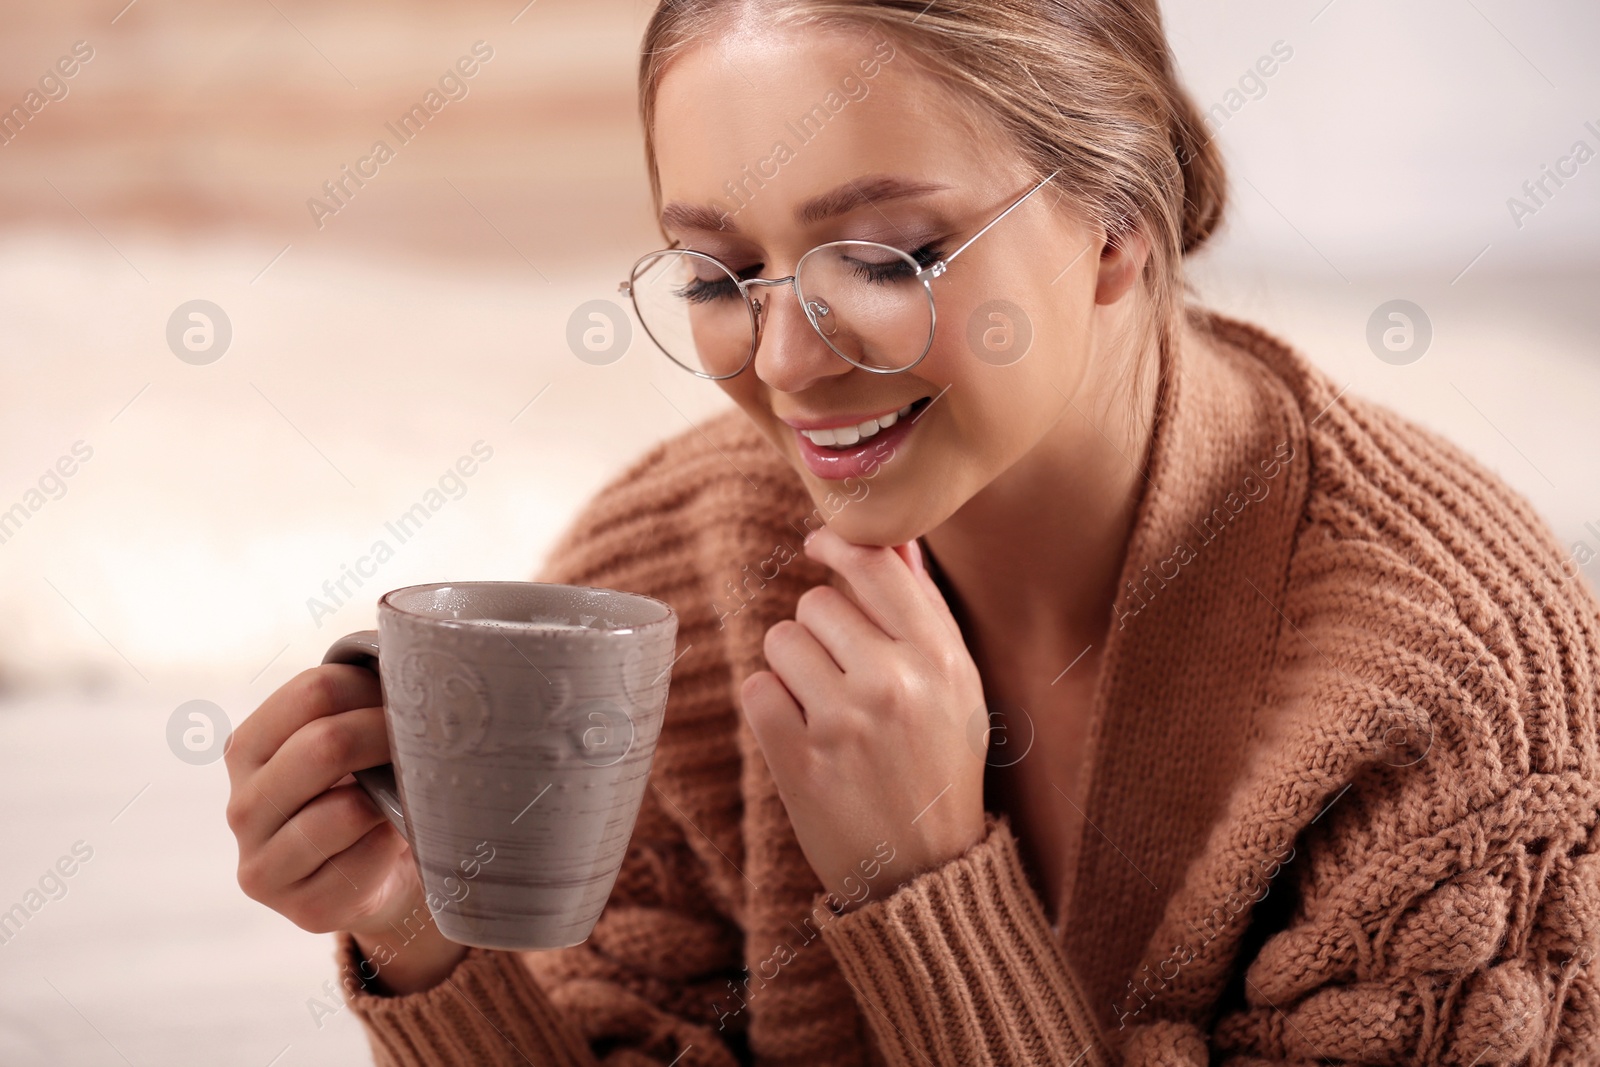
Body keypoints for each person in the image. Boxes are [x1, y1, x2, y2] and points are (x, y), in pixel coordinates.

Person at [224, 1, 1600, 1064]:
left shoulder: (1464, 684)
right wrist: (413, 931)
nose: (782, 361)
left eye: (878, 258)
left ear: (1117, 220)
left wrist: (926, 890)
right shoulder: (661, 580)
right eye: (718, 272)